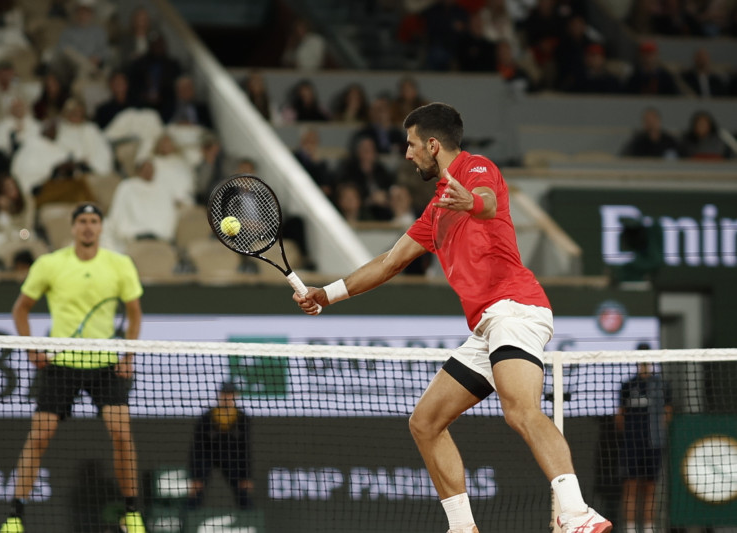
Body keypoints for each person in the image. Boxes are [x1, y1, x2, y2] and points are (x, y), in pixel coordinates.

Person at [293, 102, 612, 533]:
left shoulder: (477, 169)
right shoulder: (434, 212)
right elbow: (388, 262)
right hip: (487, 326)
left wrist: (472, 201)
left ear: (432, 144)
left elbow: (483, 201)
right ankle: (463, 528)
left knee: (520, 411)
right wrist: (325, 295)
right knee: (425, 423)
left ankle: (577, 513)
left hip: (515, 308)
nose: (406, 155)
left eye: (410, 145)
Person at [0, 202, 145, 533]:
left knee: (122, 434)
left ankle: (132, 513)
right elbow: (20, 309)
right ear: (73, 227)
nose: (88, 227)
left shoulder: (120, 264)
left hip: (106, 363)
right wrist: (31, 347)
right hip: (62, 363)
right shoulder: (50, 264)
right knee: (38, 438)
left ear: (101, 227)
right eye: (82, 221)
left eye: (94, 221)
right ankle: (15, 518)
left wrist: (128, 354)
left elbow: (134, 313)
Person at [615, 345, 671, 533]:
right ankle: (630, 529)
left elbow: (667, 413)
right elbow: (620, 416)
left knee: (650, 488)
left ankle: (649, 529)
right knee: (631, 487)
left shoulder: (662, 385)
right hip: (631, 445)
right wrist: (632, 435)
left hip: (653, 444)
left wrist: (655, 432)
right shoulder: (628, 386)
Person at [187, 381, 253, 510]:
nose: (227, 398)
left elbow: (245, 449)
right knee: (196, 491)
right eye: (225, 394)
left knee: (243, 492)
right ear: (219, 395)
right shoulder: (206, 418)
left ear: (236, 396)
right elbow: (196, 448)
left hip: (232, 459)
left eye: (230, 394)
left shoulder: (242, 419)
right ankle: (187, 522)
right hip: (207, 457)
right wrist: (195, 476)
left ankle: (250, 522)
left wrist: (247, 476)